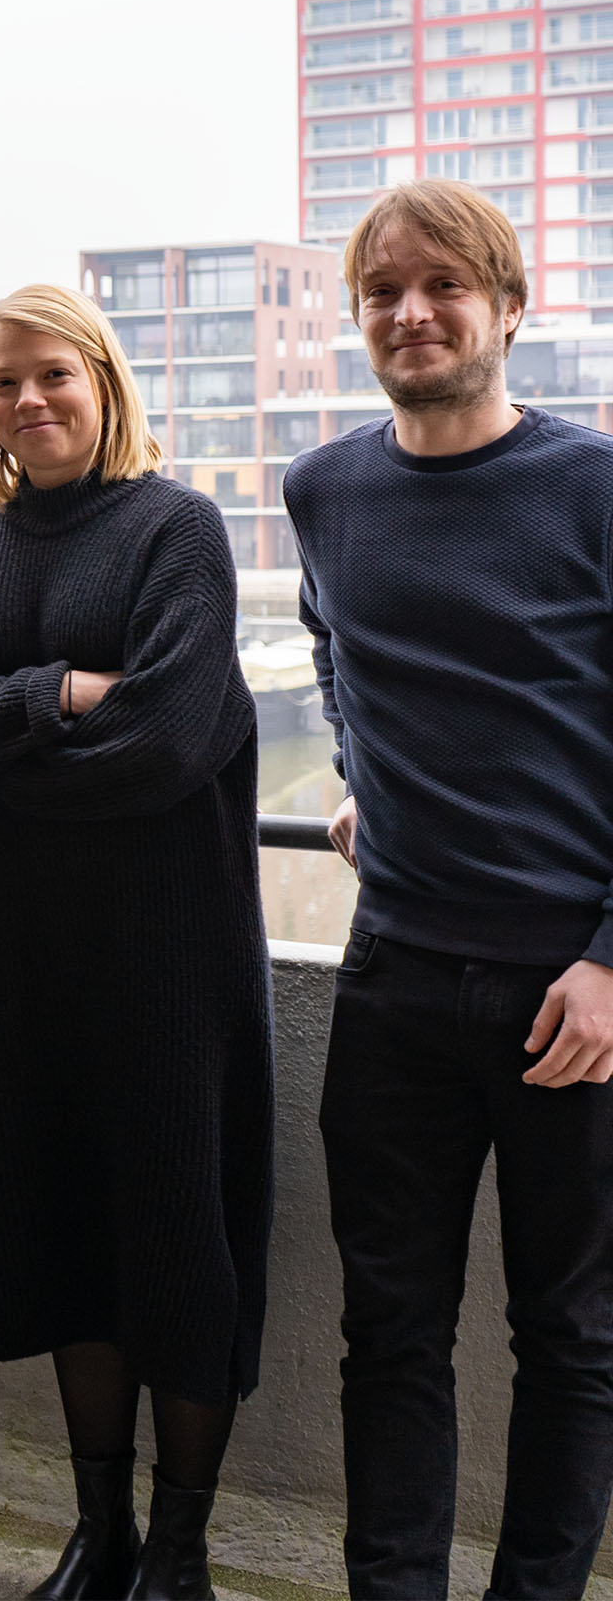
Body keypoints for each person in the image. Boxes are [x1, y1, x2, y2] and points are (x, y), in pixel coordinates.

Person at [0, 283, 274, 1601]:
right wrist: (58, 695)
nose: (29, 400)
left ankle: (180, 1552)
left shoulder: (177, 529)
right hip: (23, 960)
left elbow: (167, 748)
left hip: (169, 956)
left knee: (175, 1241)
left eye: (53, 374)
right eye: (4, 381)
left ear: (103, 382)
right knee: (65, 1241)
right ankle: (98, 1538)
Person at [286, 178, 613, 1600]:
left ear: (507, 307)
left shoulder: (593, 486)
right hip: (397, 976)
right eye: (382, 291)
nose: (410, 312)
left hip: (569, 988)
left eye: (443, 286)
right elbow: (330, 652)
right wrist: (359, 767)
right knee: (393, 1331)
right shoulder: (324, 487)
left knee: (576, 1338)